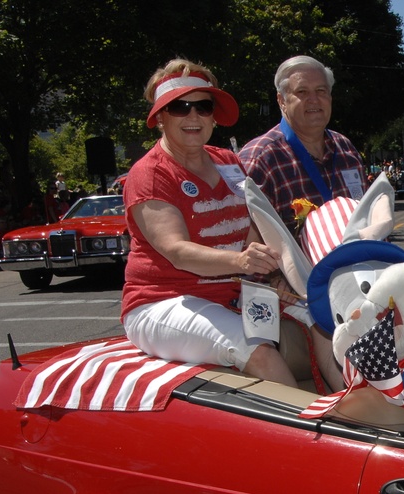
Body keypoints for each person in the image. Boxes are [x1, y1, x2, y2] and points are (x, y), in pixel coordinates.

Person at [121, 58, 300, 387]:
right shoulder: (149, 174)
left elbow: (253, 229)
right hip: (162, 302)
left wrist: (285, 274)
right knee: (259, 351)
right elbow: (177, 251)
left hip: (232, 296)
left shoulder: (229, 161)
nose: (193, 116)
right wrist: (241, 261)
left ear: (214, 115)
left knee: (323, 322)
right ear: (160, 116)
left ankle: (367, 423)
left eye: (203, 107)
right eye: (179, 107)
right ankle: (307, 437)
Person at [239, 56, 367, 230]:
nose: (314, 99)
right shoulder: (262, 158)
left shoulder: (346, 150)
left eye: (321, 90)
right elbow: (243, 236)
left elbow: (367, 215)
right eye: (302, 92)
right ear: (281, 101)